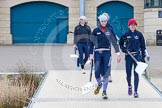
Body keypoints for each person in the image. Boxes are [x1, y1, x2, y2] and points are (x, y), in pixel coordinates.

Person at [89, 14, 121, 99]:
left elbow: (114, 42)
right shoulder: (95, 30)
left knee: (106, 73)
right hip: (97, 53)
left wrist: (118, 53)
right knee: (97, 73)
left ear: (107, 21)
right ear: (100, 21)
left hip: (107, 53)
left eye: (105, 21)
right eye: (102, 21)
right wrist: (90, 55)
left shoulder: (110, 29)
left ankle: (104, 92)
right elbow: (91, 43)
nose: (104, 22)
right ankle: (99, 84)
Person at [119, 18, 146, 98]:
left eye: (134, 25)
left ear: (136, 25)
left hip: (137, 56)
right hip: (129, 56)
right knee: (128, 75)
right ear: (129, 26)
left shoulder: (139, 34)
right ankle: (129, 86)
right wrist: (124, 50)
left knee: (136, 74)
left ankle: (135, 91)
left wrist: (143, 56)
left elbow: (143, 46)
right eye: (131, 25)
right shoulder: (125, 35)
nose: (133, 26)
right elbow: (121, 44)